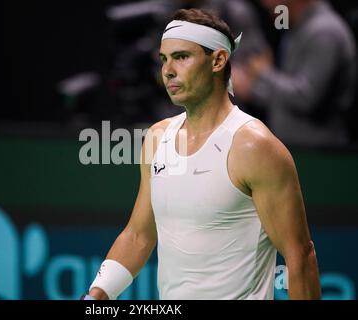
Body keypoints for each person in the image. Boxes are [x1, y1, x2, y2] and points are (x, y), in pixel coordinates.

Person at [82, 8, 321, 300]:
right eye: (164, 59)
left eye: (181, 57)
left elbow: (300, 256)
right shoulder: (157, 138)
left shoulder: (254, 146)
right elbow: (138, 235)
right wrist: (97, 295)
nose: (168, 70)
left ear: (218, 60)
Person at [233, 0, 357, 148]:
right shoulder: (297, 28)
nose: (266, 4)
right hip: (292, 148)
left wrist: (264, 73)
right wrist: (251, 90)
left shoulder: (324, 32)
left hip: (320, 153)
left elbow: (306, 99)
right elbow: (285, 100)